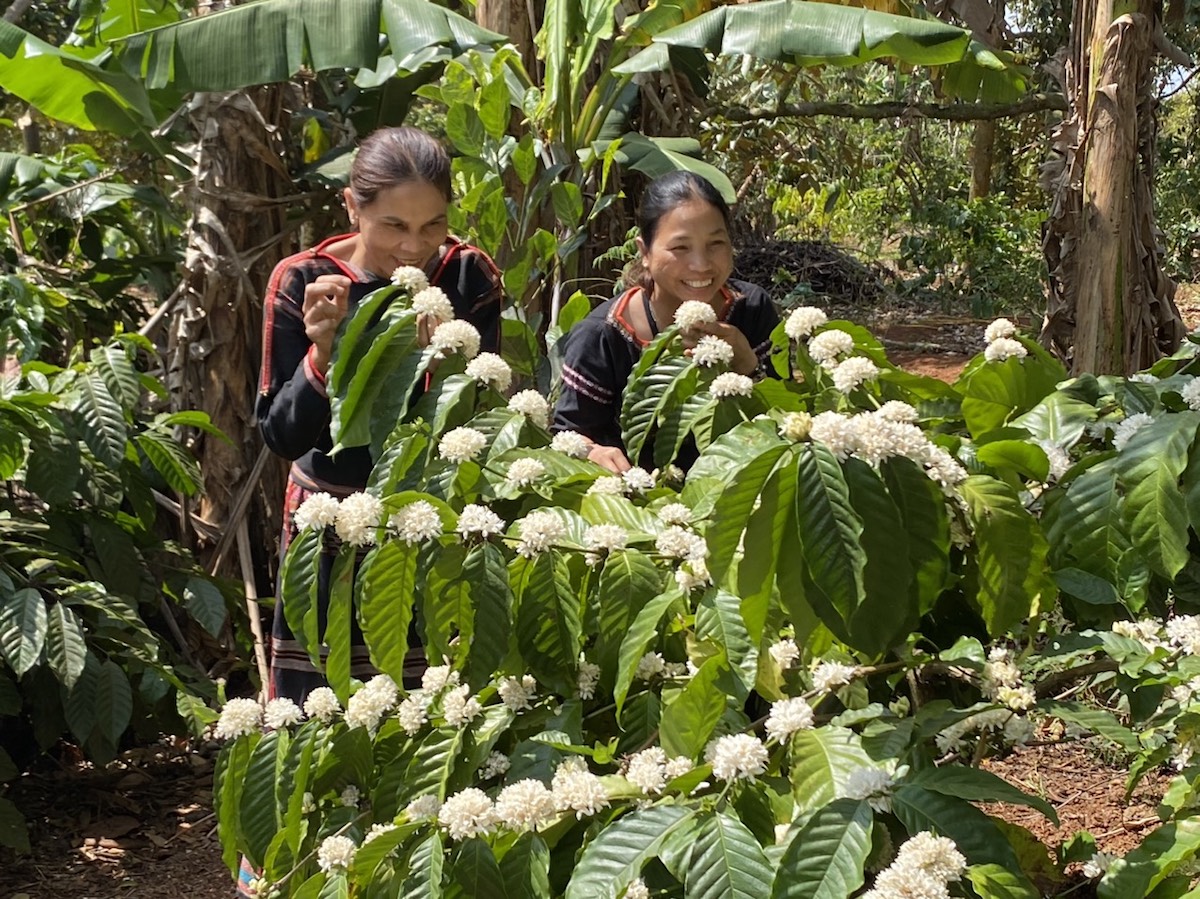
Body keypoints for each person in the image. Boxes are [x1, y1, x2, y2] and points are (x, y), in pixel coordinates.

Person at [255, 126, 505, 704]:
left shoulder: (466, 276)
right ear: (352, 206)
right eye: (394, 225)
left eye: (433, 226)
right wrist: (324, 354)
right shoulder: (304, 281)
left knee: (430, 704)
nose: (414, 247)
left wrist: (447, 365)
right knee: (320, 707)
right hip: (329, 525)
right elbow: (281, 433)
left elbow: (480, 416)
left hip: (428, 521)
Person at [553, 170, 780, 472]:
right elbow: (568, 435)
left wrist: (749, 365)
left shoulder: (751, 308)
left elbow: (786, 414)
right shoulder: (601, 337)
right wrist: (593, 453)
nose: (700, 264)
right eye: (680, 247)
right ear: (644, 252)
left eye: (715, 243)